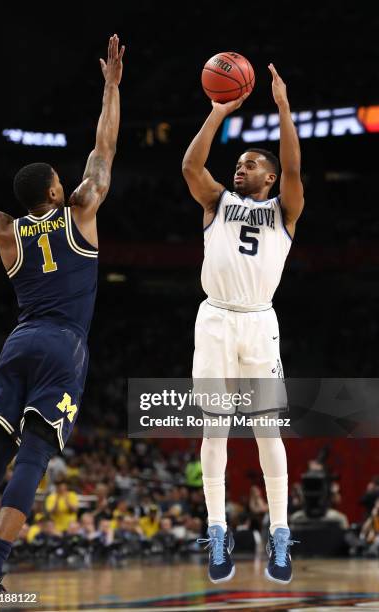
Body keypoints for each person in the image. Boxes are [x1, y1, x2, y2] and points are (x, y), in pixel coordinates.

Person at [0, 34, 124, 600]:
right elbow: (103, 150)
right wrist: (110, 88)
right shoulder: (81, 210)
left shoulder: (6, 230)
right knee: (33, 456)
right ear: (57, 189)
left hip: (17, 342)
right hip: (64, 344)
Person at [182, 64, 304, 584]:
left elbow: (296, 169)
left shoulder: (285, 209)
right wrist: (216, 114)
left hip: (258, 323)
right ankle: (216, 532)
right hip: (214, 319)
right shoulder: (217, 202)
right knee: (214, 429)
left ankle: (279, 534)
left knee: (265, 430)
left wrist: (282, 109)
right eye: (238, 162)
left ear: (269, 177)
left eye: (250, 163)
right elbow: (191, 165)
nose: (240, 167)